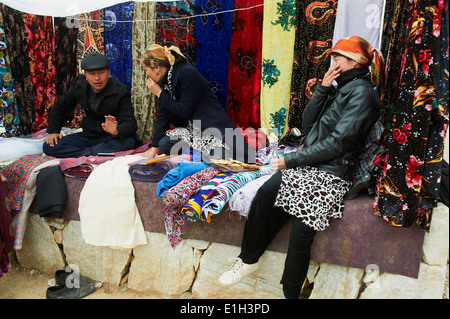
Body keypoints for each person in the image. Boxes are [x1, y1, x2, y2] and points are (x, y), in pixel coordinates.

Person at [218, 36, 385, 299]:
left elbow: (338, 143)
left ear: (355, 61)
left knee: (301, 231)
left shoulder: (363, 95)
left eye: (339, 57)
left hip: (332, 173)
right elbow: (308, 124)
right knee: (265, 195)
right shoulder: (341, 88)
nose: (334, 61)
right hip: (310, 163)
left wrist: (292, 160)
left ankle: (290, 294)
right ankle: (249, 260)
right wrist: (324, 88)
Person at [141, 44, 254, 163]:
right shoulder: (165, 83)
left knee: (218, 157)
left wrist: (160, 94)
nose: (147, 74)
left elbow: (184, 111)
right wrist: (154, 150)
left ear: (156, 68)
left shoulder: (186, 73)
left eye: (147, 70)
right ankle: (201, 153)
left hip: (211, 129)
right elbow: (163, 117)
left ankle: (209, 153)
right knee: (164, 143)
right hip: (192, 132)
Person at [43, 53, 137, 158]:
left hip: (110, 137)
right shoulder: (79, 86)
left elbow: (130, 124)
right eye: (92, 74)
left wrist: (116, 131)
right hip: (89, 136)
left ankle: (87, 153)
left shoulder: (120, 91)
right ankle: (92, 153)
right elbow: (60, 106)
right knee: (49, 146)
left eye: (101, 73)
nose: (97, 78)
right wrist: (54, 131)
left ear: (108, 73)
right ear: (86, 75)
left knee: (129, 142)